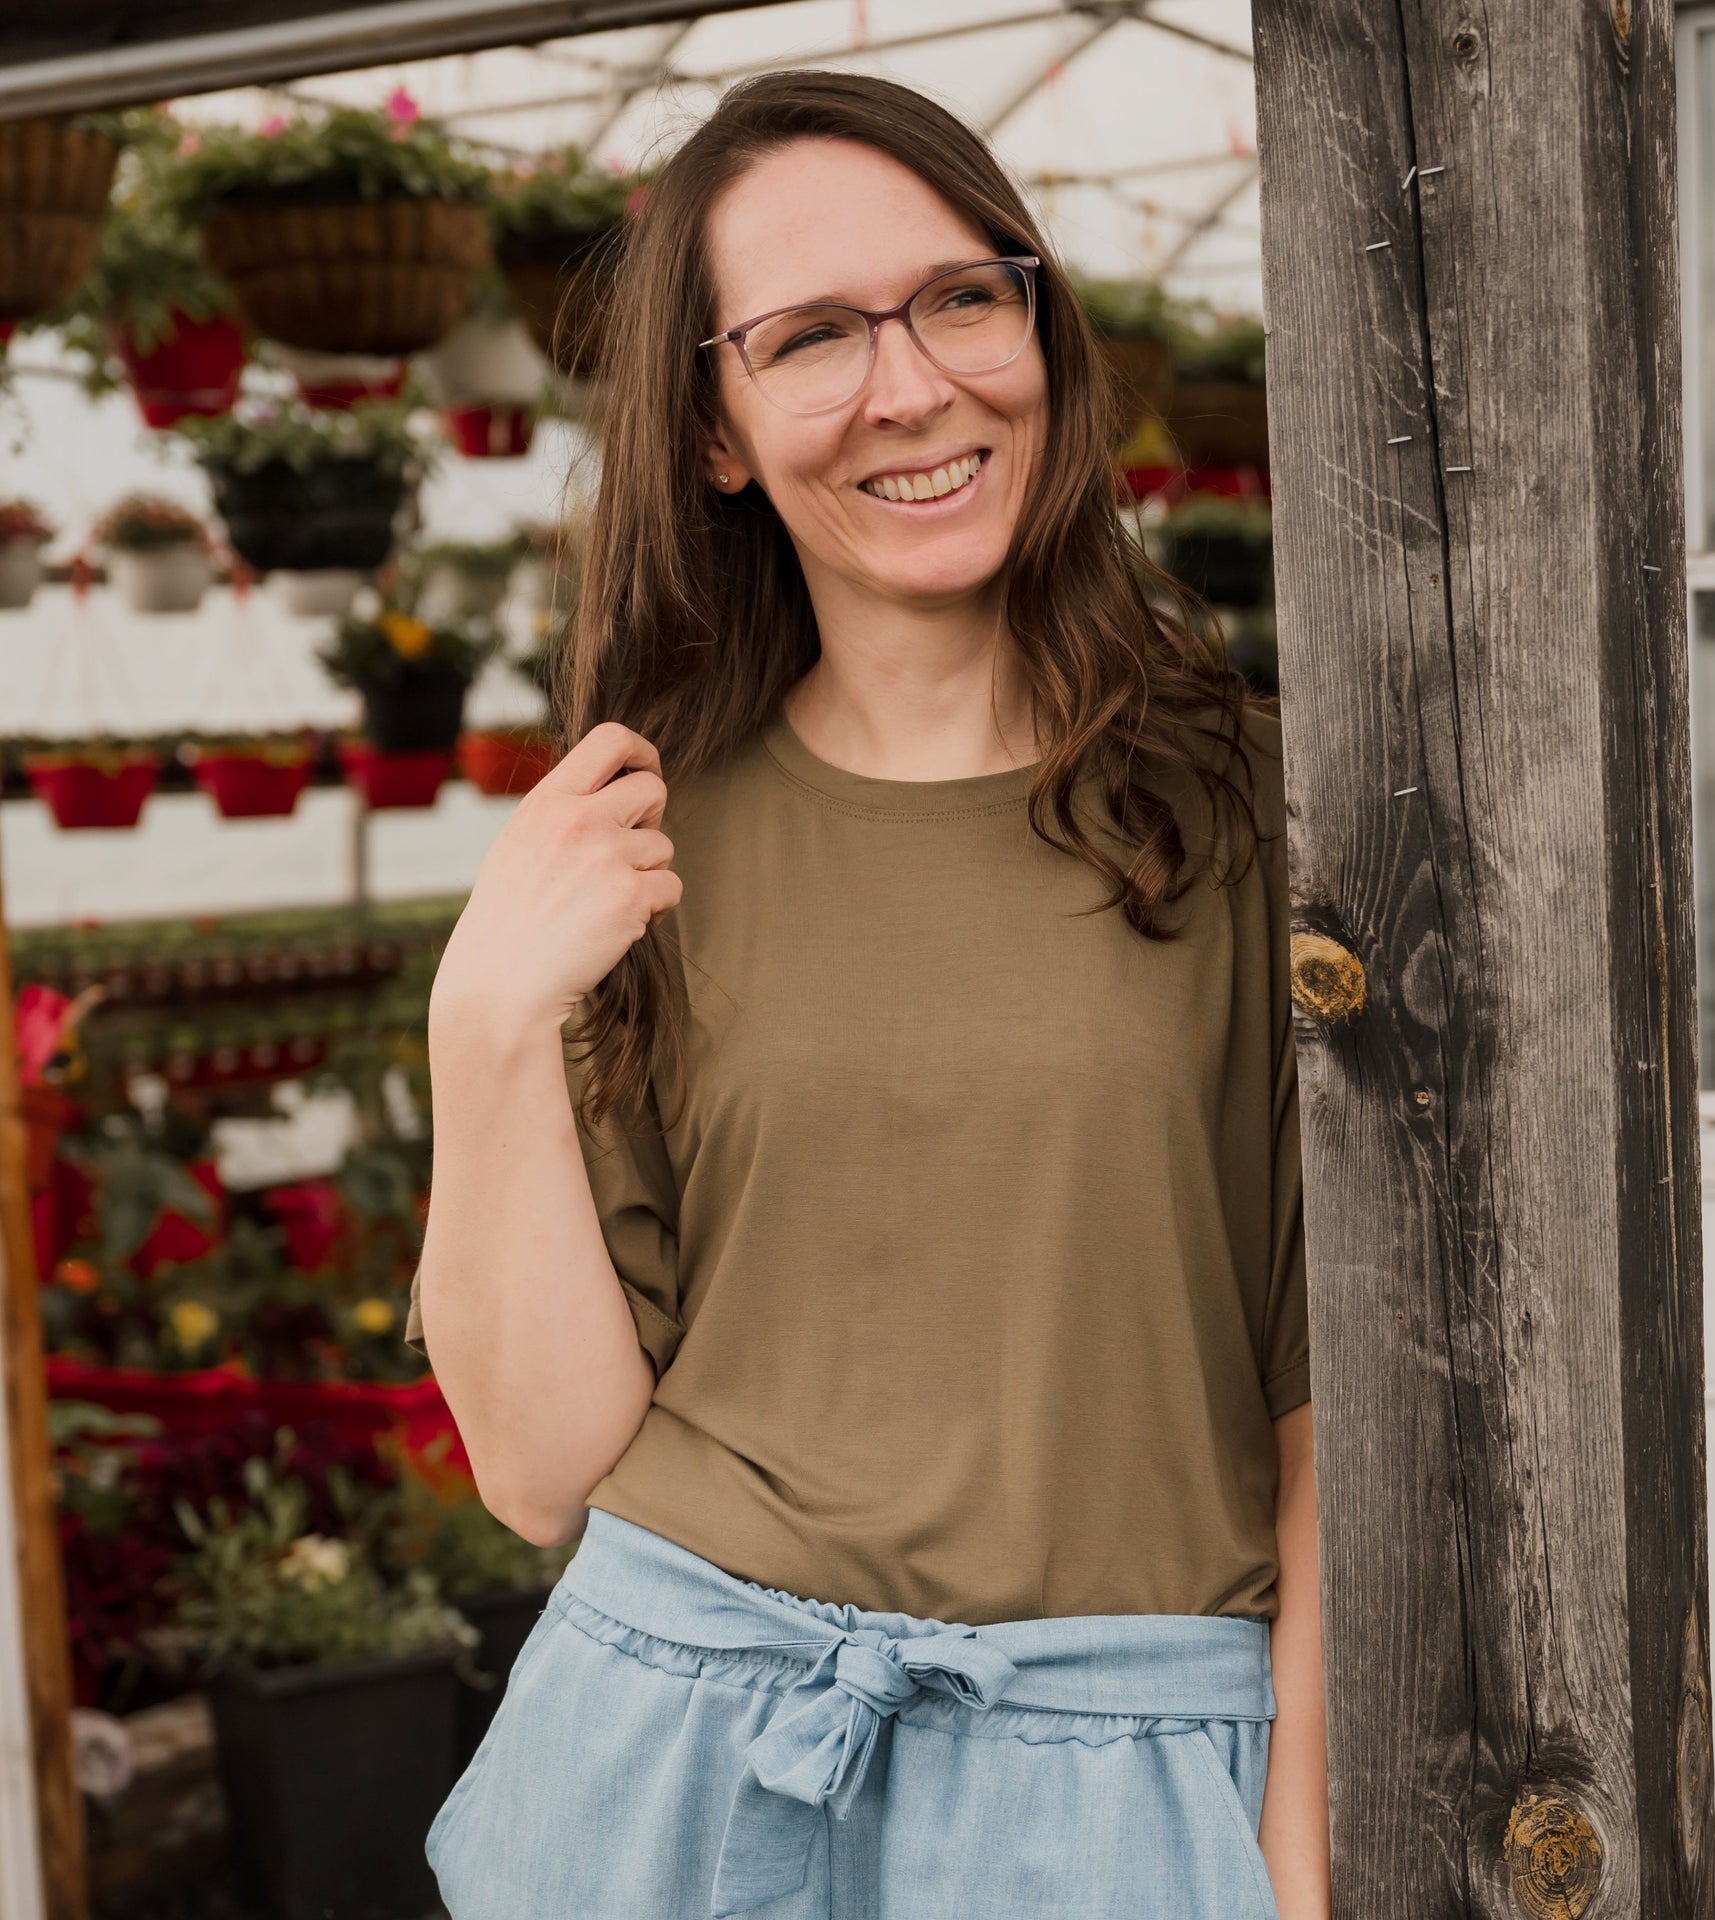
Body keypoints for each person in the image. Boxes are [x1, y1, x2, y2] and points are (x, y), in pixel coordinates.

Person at [405, 67, 1330, 1920]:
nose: (909, 387)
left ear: (1041, 331)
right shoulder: (643, 833)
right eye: (811, 336)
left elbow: (1333, 1421)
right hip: (670, 1754)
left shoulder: (1256, 809)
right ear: (722, 431)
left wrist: (1300, 1867)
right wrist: (484, 1025)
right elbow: (537, 1471)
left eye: (960, 298)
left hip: (1125, 1786)